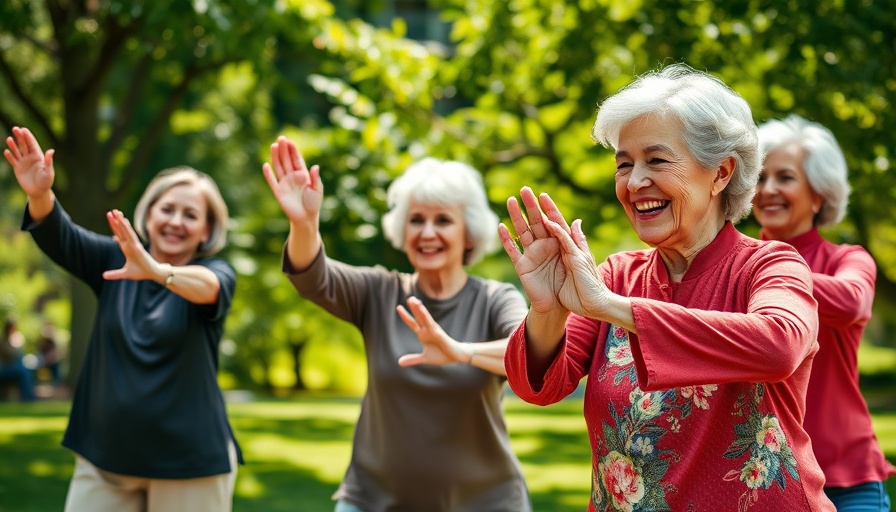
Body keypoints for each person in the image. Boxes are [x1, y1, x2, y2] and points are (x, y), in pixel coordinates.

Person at [498, 64, 836, 510]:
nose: (635, 182)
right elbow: (539, 386)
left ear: (720, 173)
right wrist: (547, 309)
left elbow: (778, 346)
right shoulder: (617, 275)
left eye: (656, 160)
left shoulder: (770, 265)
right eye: (624, 164)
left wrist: (615, 308)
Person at [263, 137, 531, 512]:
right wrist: (304, 223)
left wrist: (461, 352)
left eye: (443, 220)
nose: (426, 232)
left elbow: (527, 353)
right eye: (416, 220)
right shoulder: (379, 292)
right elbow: (312, 277)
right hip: (373, 501)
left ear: (467, 232)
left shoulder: (494, 299)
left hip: (483, 502)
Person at [4, 126, 241, 512]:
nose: (176, 221)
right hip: (105, 459)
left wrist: (156, 269)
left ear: (207, 230)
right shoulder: (115, 262)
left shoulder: (213, 272)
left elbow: (211, 286)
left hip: (189, 465)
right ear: (149, 215)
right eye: (168, 209)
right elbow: (60, 236)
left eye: (190, 214)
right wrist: (39, 194)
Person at [753, 114, 895, 510]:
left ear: (820, 193)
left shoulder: (847, 258)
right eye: (760, 177)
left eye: (785, 177)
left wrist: (767, 271)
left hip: (846, 478)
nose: (768, 190)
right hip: (764, 475)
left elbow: (852, 301)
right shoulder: (734, 263)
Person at [0, 318, 36, 401]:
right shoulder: (3, 340)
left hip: (16, 366)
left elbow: (21, 354)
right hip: (5, 368)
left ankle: (29, 396)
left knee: (27, 372)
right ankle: (27, 398)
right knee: (23, 372)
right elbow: (9, 355)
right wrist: (15, 344)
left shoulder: (16, 338)